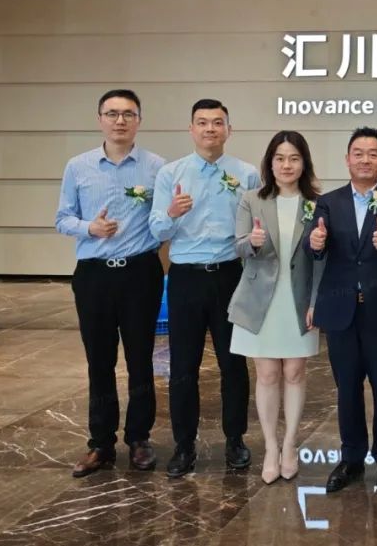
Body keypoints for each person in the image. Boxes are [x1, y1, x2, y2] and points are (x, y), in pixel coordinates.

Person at [55, 89, 166, 477]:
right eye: (112, 113)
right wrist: (91, 228)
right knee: (99, 361)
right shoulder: (78, 166)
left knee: (141, 358)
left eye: (128, 114)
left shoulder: (157, 168)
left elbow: (163, 221)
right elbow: (62, 218)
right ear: (100, 119)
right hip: (94, 275)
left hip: (140, 274)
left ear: (139, 120)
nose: (120, 120)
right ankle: (100, 442)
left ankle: (139, 438)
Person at [149, 99, 260, 478]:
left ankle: (235, 440)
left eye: (217, 122)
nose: (210, 128)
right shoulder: (171, 174)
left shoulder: (246, 174)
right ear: (191, 129)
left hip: (230, 275)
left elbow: (256, 227)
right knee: (183, 366)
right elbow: (156, 229)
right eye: (202, 122)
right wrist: (172, 213)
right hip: (186, 277)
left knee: (234, 364)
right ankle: (184, 445)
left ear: (229, 129)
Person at [311, 127, 377, 495]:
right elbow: (315, 244)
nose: (365, 159)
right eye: (359, 153)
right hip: (341, 310)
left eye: (373, 154)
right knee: (347, 388)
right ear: (347, 159)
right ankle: (351, 457)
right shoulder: (329, 202)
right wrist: (315, 242)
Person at [228, 130, 322, 484]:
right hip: (260, 299)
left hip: (299, 300)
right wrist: (252, 242)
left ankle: (291, 444)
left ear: (304, 163)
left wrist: (316, 301)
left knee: (295, 373)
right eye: (280, 158)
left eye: (294, 158)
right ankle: (270, 446)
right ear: (270, 163)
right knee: (267, 375)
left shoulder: (317, 203)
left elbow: (324, 259)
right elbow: (238, 247)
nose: (286, 165)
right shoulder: (251, 199)